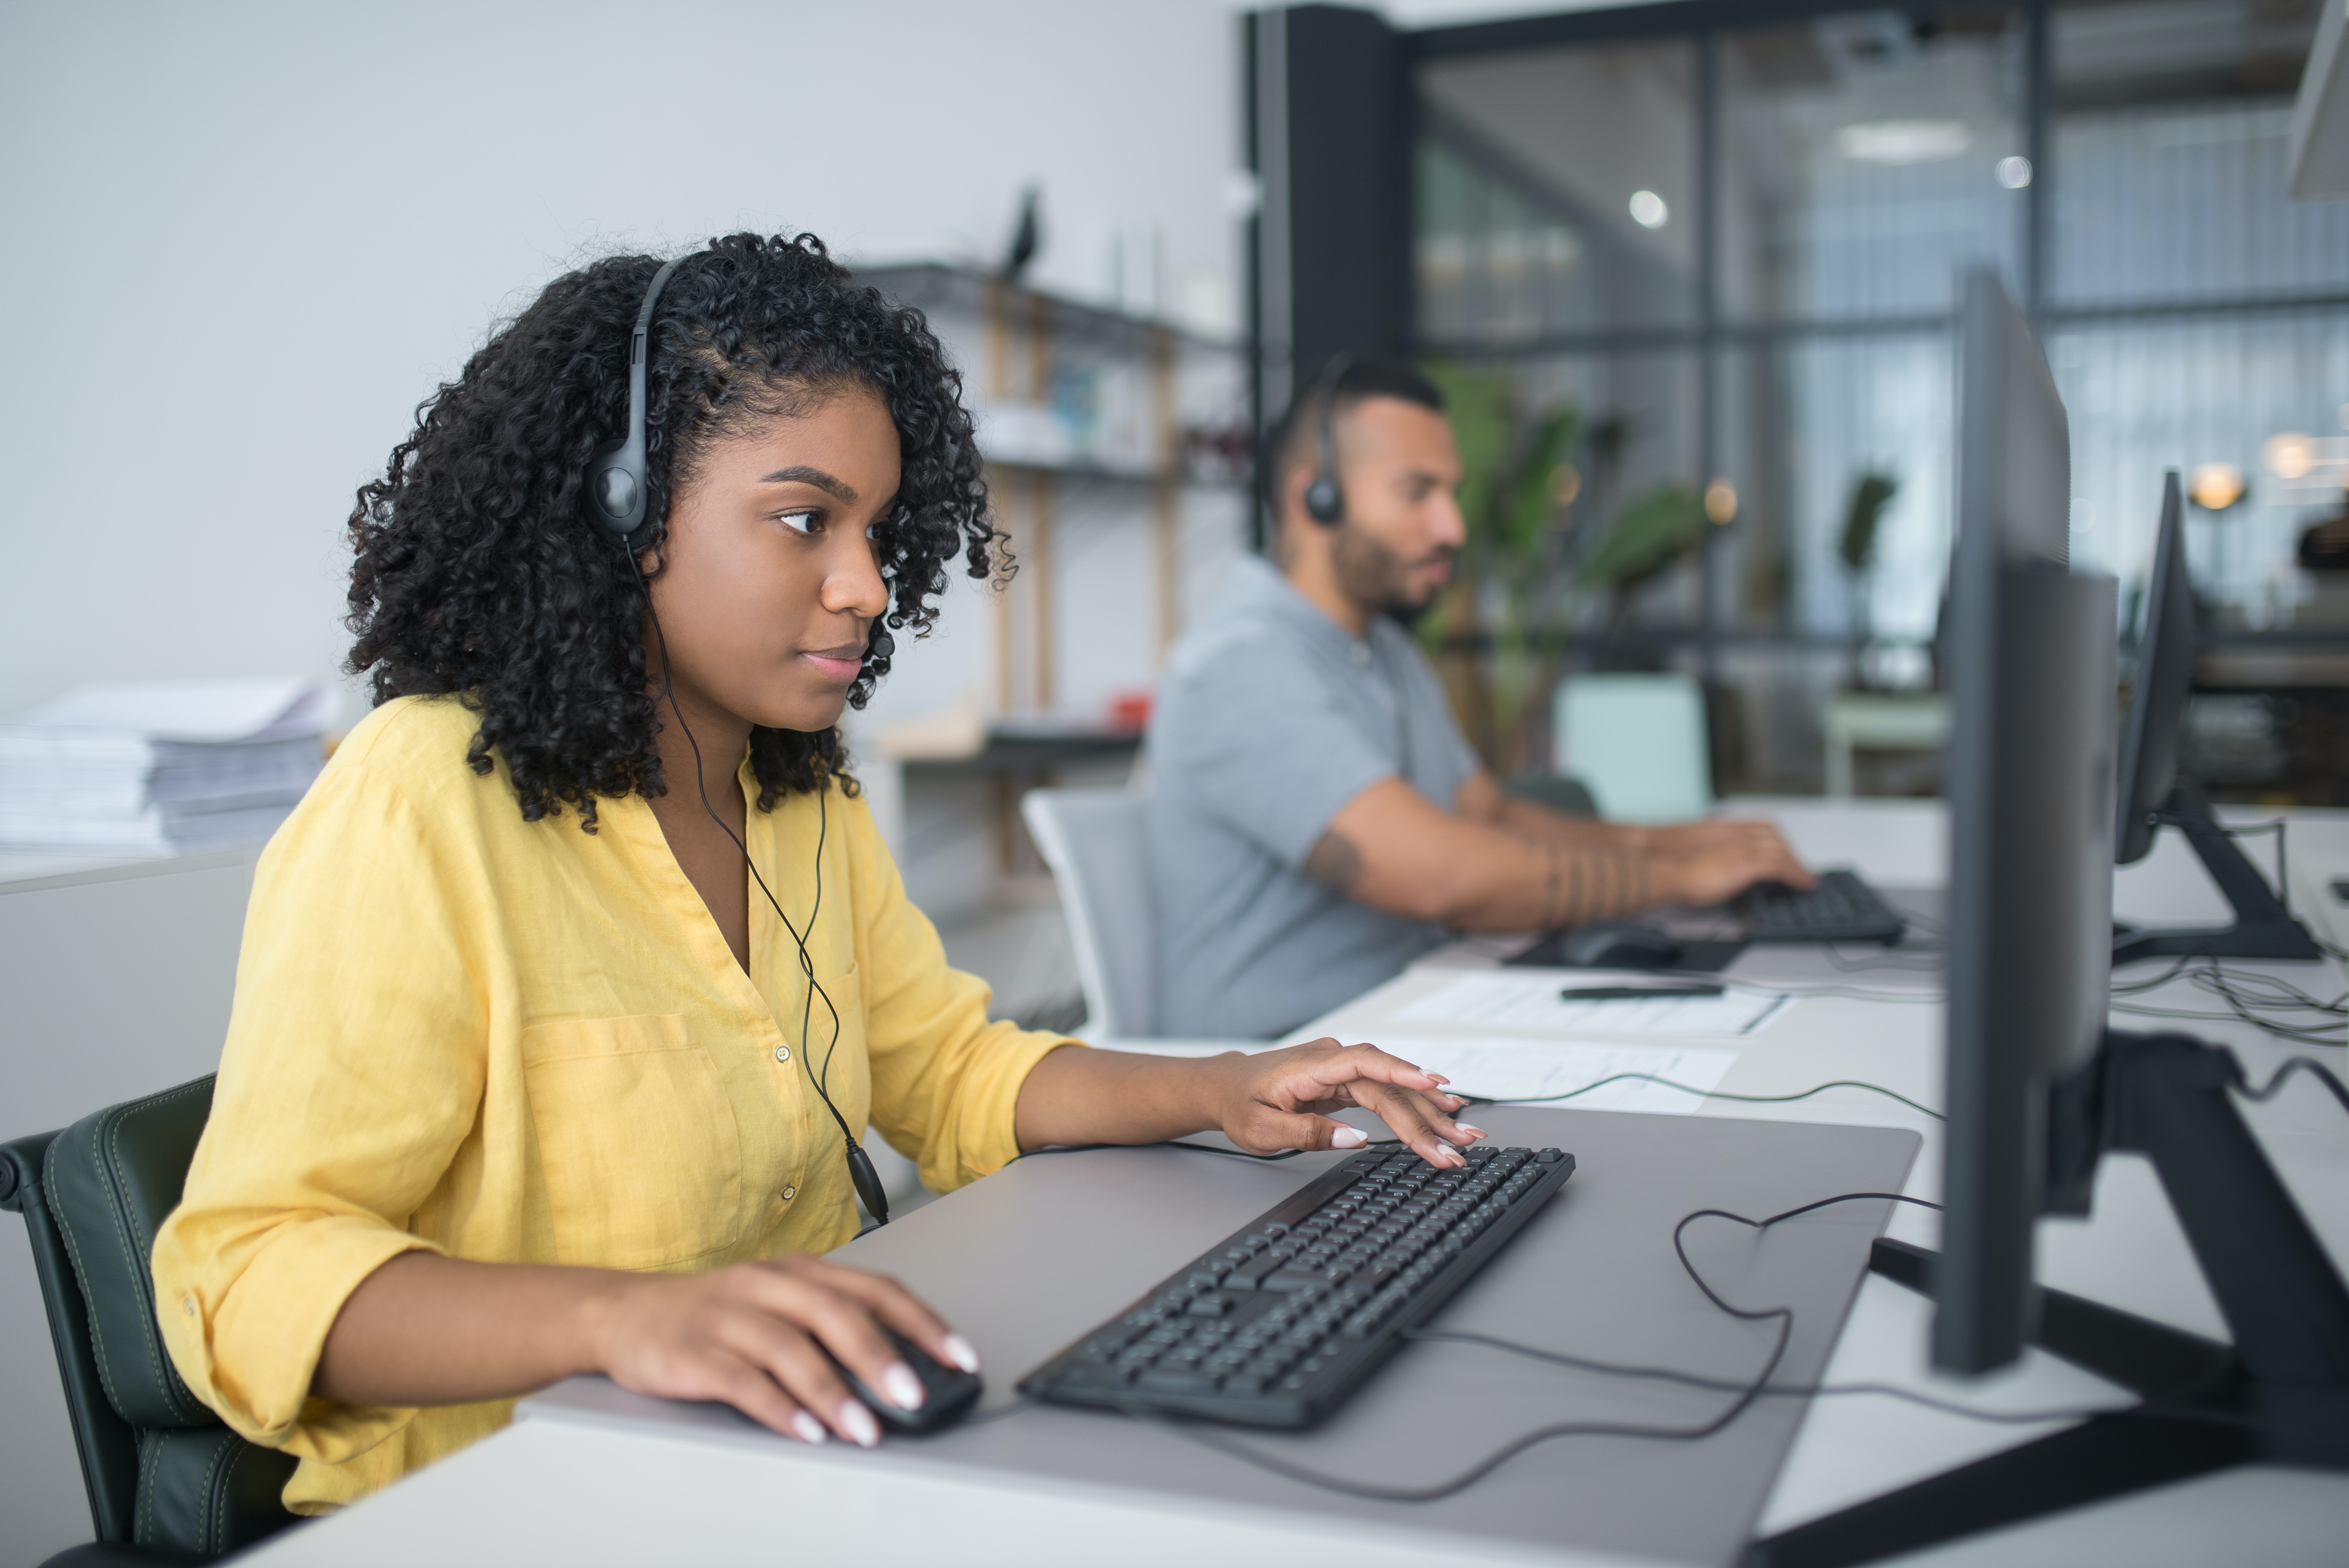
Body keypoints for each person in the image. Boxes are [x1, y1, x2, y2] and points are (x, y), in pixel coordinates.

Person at [151, 237, 1483, 1513]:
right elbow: (251, 1263)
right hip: (506, 1501)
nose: (863, 584)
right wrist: (630, 1319)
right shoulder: (420, 797)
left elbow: (947, 1070)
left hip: (771, 1466)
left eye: (876, 530)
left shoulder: (796, 791)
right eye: (803, 519)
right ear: (621, 510)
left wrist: (1218, 1084)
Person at [1148, 355, 1811, 1039]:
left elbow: (1488, 812)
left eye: (1449, 493)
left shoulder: (1385, 651)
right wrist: (1675, 877)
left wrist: (1674, 839)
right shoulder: (1238, 664)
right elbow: (1442, 876)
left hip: (1409, 1019)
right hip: (1282, 1078)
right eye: (1417, 492)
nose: (1451, 528)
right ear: (1314, 495)